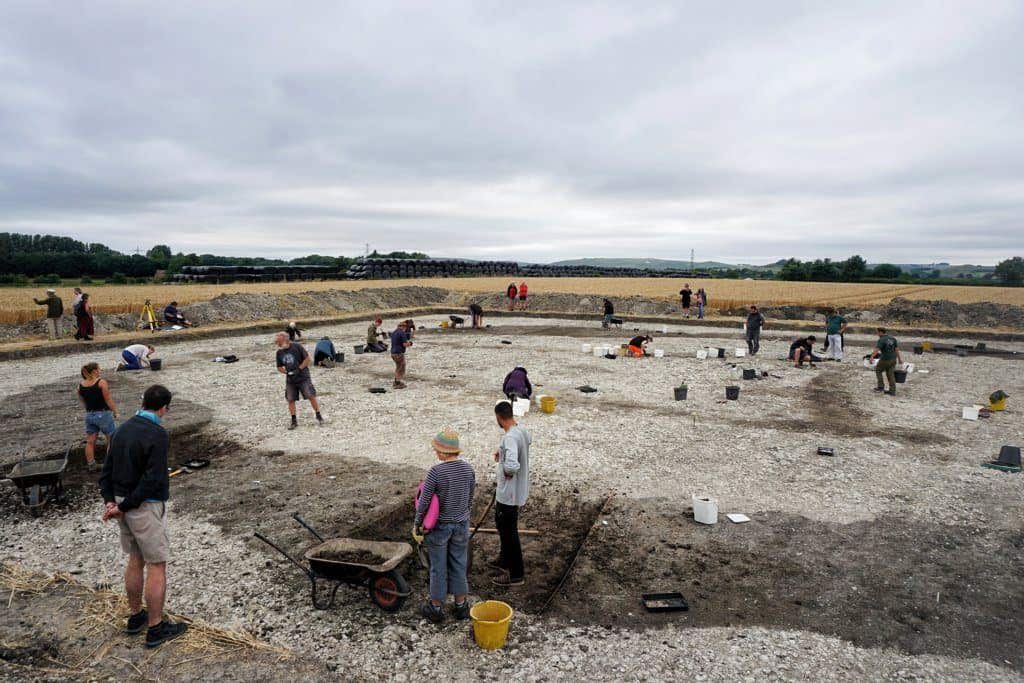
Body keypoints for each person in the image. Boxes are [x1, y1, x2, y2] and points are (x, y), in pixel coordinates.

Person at [98, 384, 188, 648]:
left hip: (123, 503)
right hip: (143, 507)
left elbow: (106, 472)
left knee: (135, 560)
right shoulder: (157, 433)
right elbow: (151, 480)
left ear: (143, 402)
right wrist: (124, 507)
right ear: (164, 408)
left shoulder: (122, 429)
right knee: (157, 565)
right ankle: (156, 627)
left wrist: (111, 503)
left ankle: (136, 616)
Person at [412, 427, 476, 623]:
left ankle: (436, 608)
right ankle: (461, 606)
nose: (435, 453)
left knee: (438, 567)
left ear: (442, 451)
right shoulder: (468, 469)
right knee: (459, 563)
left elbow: (424, 502)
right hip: (461, 525)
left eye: (436, 449)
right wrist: (464, 514)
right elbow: (471, 496)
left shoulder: (436, 472)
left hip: (440, 528)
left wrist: (418, 523)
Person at [491, 401, 531, 587]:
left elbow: (513, 465)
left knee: (509, 532)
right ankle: (504, 559)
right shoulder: (521, 430)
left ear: (499, 418)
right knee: (501, 524)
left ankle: (516, 574)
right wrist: (502, 453)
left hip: (509, 493)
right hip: (515, 492)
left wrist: (507, 470)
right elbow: (524, 444)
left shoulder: (510, 438)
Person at [275, 332, 324, 429]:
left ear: (286, 340)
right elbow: (279, 367)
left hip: (303, 377)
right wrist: (286, 372)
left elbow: (307, 359)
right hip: (290, 379)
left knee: (311, 395)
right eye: (277, 342)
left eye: (279, 342)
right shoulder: (279, 352)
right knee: (290, 399)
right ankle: (294, 421)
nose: (278, 344)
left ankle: (318, 415)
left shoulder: (297, 347)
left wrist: (299, 369)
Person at [78, 362, 118, 469]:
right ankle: (110, 464)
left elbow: (83, 401)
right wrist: (115, 411)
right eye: (99, 369)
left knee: (90, 441)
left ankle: (91, 464)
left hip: (90, 415)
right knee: (111, 439)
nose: (100, 371)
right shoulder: (101, 382)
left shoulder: (81, 385)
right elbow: (108, 399)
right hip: (103, 414)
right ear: (95, 371)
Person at [869, 327, 902, 396]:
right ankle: (892, 391)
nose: (877, 334)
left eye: (877, 332)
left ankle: (880, 387)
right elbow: (896, 349)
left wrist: (871, 357)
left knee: (878, 370)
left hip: (885, 359)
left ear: (881, 332)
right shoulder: (893, 338)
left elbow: (877, 349)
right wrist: (899, 359)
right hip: (893, 359)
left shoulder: (882, 340)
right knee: (891, 374)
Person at [390, 321, 413, 389]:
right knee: (401, 368)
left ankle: (396, 381)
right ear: (403, 327)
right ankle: (397, 383)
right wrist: (410, 344)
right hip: (399, 353)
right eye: (405, 328)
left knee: (398, 367)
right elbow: (405, 344)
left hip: (393, 353)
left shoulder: (394, 332)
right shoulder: (402, 333)